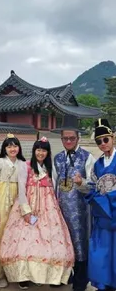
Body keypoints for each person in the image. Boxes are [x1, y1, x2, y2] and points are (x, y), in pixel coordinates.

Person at [0, 137, 75, 289]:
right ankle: (23, 276)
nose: (41, 153)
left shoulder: (49, 167)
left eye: (44, 150)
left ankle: (46, 274)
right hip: (29, 205)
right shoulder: (25, 166)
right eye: (38, 149)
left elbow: (55, 188)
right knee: (24, 241)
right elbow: (21, 190)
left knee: (50, 240)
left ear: (48, 152)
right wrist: (26, 211)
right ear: (34, 151)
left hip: (48, 208)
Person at [54, 118, 95, 291]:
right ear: (62, 139)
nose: (69, 141)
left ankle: (80, 280)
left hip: (80, 211)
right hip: (61, 211)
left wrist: (81, 183)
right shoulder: (57, 158)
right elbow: (54, 184)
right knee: (62, 243)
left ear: (78, 138)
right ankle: (64, 275)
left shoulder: (87, 157)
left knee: (80, 244)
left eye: (72, 138)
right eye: (65, 138)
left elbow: (93, 185)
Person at [0, 133, 27, 288]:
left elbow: (24, 188)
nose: (12, 148)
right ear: (4, 148)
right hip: (1, 200)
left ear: (19, 148)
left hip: (16, 201)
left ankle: (13, 271)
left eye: (15, 145)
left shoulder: (23, 164)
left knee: (15, 237)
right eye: (9, 146)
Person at [83, 119, 116, 291]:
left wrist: (108, 198)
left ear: (113, 138)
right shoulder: (97, 164)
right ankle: (104, 285)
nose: (102, 144)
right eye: (98, 141)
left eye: (105, 139)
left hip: (115, 213)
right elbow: (92, 186)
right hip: (103, 215)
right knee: (102, 253)